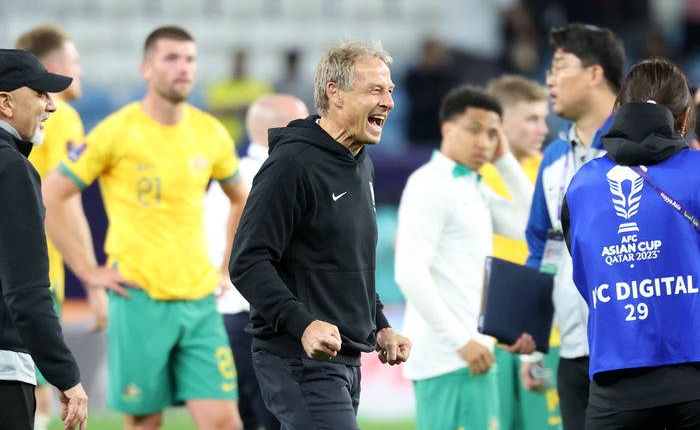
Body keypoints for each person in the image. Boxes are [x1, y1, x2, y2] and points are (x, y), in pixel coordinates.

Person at [42, 26, 247, 430]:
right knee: (144, 423)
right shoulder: (118, 130)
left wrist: (227, 266)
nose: (183, 68)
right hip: (138, 301)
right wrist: (86, 271)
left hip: (199, 301)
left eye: (189, 59)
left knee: (225, 422)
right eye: (171, 58)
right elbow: (50, 194)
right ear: (146, 68)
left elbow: (243, 195)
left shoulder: (210, 132)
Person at [229, 40, 412, 430]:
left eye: (390, 91)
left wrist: (378, 324)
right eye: (375, 90)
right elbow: (248, 261)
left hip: (344, 358)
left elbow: (346, 264)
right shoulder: (292, 164)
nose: (389, 102)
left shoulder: (360, 164)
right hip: (297, 358)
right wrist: (303, 324)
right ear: (335, 94)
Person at [563, 58, 700, 429]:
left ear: (619, 109)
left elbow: (585, 275)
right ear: (685, 117)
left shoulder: (582, 184)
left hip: (616, 379)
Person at [394, 85, 536, 430]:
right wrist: (462, 343)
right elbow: (409, 272)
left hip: (473, 354)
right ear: (447, 130)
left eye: (492, 134)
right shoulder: (429, 184)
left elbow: (532, 224)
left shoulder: (472, 185)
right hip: (451, 358)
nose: (484, 142)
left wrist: (504, 160)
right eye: (475, 130)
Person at [525, 23, 625, 430]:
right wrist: (531, 339)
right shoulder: (552, 157)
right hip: (572, 352)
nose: (549, 80)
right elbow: (542, 245)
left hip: (635, 351)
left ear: (595, 74)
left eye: (560, 66)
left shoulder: (639, 147)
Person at [204, 93, 309, 430]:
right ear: (279, 129)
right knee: (281, 418)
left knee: (244, 418)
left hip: (228, 319)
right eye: (303, 124)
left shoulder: (228, 179)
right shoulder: (272, 177)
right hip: (261, 319)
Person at [14, 25, 101, 430]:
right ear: (53, 68)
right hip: (35, 273)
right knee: (35, 385)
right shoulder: (62, 115)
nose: (80, 72)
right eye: (75, 63)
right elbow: (64, 206)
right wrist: (93, 281)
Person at [0, 48, 88, 430]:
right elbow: (25, 288)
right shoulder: (11, 167)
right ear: (5, 102)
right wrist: (64, 374)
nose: (51, 106)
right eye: (40, 94)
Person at [479, 75, 562, 430]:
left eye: (544, 118)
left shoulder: (559, 171)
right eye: (531, 119)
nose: (543, 128)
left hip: (547, 335)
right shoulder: (473, 173)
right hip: (487, 337)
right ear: (501, 121)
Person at [205, 49, 272, 145]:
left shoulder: (259, 86)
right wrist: (242, 109)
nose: (239, 65)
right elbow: (213, 110)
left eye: (242, 61)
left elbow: (266, 111)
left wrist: (230, 109)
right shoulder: (219, 85)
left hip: (253, 140)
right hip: (226, 138)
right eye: (237, 61)